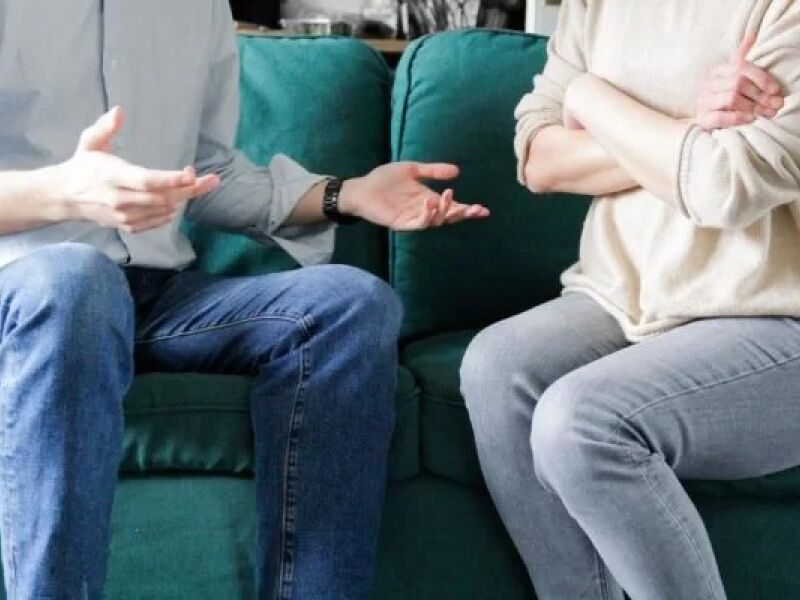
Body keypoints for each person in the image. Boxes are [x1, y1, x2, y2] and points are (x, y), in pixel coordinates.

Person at [0, 2, 491, 599]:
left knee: (351, 303)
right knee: (74, 281)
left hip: (152, 294)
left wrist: (345, 195)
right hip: (27, 289)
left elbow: (209, 174)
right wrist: (60, 193)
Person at [461, 1, 800, 599]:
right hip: (626, 295)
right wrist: (692, 127)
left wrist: (588, 97)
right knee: (497, 365)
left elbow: (724, 185)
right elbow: (539, 159)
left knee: (583, 423)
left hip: (775, 309)